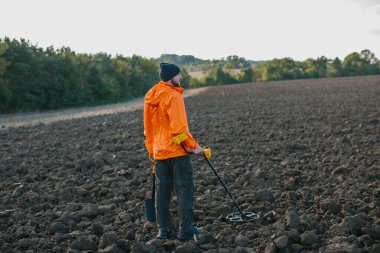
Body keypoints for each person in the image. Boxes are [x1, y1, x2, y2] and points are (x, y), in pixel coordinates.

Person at [144, 63, 203, 240]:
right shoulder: (173, 96)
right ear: (171, 77)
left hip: (159, 152)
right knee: (185, 189)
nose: (181, 78)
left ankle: (163, 230)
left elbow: (148, 129)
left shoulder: (151, 96)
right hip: (177, 153)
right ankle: (185, 229)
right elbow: (178, 129)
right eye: (179, 75)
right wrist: (195, 147)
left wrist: (152, 151)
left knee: (162, 191)